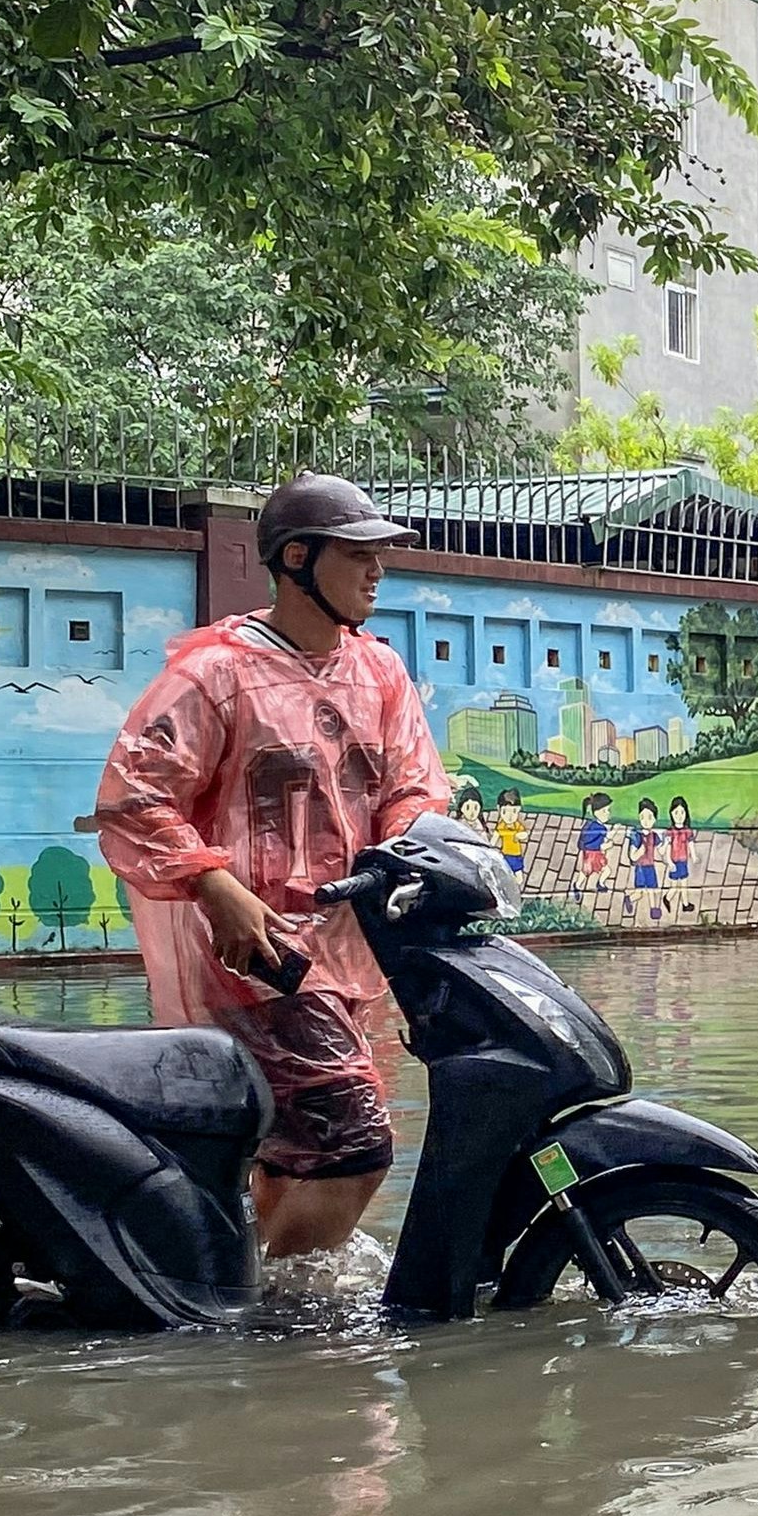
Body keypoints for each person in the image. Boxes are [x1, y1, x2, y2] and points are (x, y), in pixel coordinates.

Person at [95, 474, 451, 1257]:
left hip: (353, 945)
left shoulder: (380, 672)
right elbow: (133, 800)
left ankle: (237, 1286)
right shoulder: (214, 676)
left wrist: (410, 848)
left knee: (292, 1153)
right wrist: (214, 884)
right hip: (252, 955)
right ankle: (282, 1323)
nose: (376, 571)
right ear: (297, 558)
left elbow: (415, 785)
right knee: (353, 1146)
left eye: (379, 555)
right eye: (357, 553)